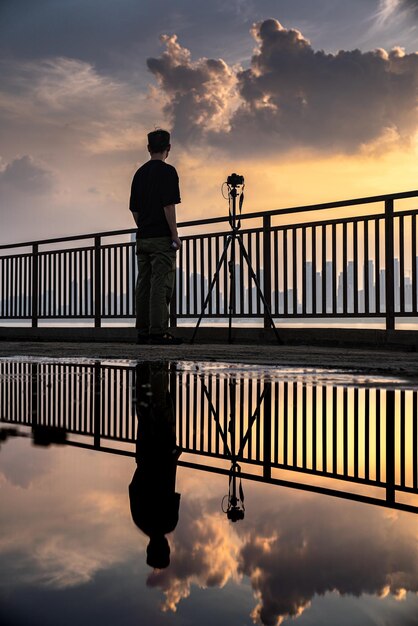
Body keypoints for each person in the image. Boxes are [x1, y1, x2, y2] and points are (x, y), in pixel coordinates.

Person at [129, 129, 183, 344]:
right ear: (168, 148)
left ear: (148, 148)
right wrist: (174, 235)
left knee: (143, 284)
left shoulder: (139, 174)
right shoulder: (168, 172)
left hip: (142, 237)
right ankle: (158, 331)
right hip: (161, 238)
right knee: (161, 283)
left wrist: (144, 226)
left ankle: (143, 331)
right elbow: (168, 206)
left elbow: (134, 210)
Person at [129, 363, 181, 569]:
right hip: (144, 452)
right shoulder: (140, 520)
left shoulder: (169, 523)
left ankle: (159, 360)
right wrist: (143, 465)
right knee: (144, 403)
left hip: (162, 450)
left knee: (160, 400)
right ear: (149, 548)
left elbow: (170, 483)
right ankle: (144, 360)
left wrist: (173, 457)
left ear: (165, 548)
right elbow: (133, 487)